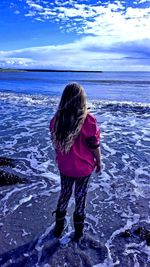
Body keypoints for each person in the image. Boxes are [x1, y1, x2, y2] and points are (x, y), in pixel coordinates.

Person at [50, 82, 101, 241]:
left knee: (64, 194)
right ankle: (78, 232)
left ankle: (58, 228)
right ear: (82, 99)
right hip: (83, 169)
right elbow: (94, 146)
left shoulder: (56, 119)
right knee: (81, 197)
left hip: (65, 167)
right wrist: (99, 162)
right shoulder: (89, 120)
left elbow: (56, 144)